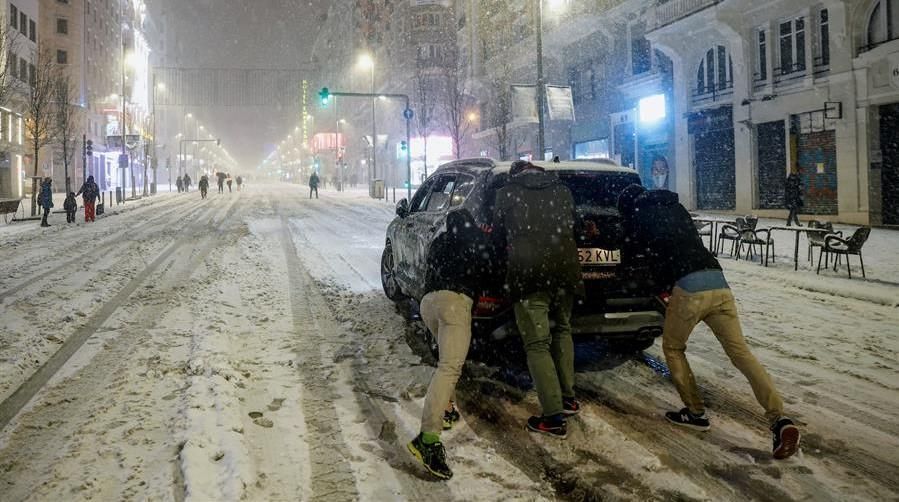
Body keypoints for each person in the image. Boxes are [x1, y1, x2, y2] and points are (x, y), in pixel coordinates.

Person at [617, 184, 801, 460]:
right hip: (718, 280)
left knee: (673, 348)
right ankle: (779, 420)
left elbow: (639, 252)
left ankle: (695, 412)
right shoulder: (675, 207)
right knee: (741, 354)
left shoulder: (639, 214)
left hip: (689, 287)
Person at [493, 160, 584, 439]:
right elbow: (575, 225)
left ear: (515, 175)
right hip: (566, 273)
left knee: (537, 344)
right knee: (563, 331)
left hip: (530, 275)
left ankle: (553, 417)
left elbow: (496, 233)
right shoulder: (563, 190)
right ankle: (568, 398)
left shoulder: (506, 193)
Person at [407, 209, 489, 480]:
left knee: (446, 358)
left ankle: (447, 408)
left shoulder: (441, 241)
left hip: (429, 302)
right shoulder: (474, 239)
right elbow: (490, 269)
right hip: (455, 303)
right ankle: (428, 440)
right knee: (450, 367)